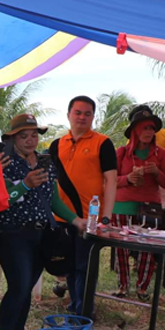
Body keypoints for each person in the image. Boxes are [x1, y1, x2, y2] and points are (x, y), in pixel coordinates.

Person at [0, 114, 79, 330]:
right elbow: (3, 200)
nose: (30, 140)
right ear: (12, 138)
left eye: (34, 134)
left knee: (28, 287)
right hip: (12, 231)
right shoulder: (4, 162)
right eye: (24, 136)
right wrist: (26, 184)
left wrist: (76, 220)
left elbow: (53, 200)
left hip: (41, 233)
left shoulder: (45, 161)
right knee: (19, 285)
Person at [53, 96, 117, 314]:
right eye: (77, 112)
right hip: (62, 218)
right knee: (68, 266)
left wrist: (106, 218)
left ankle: (85, 312)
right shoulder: (56, 144)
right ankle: (75, 307)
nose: (82, 117)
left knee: (86, 268)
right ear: (68, 114)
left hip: (90, 220)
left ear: (93, 117)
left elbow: (111, 181)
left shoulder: (103, 143)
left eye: (87, 113)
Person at [112, 107, 165, 300]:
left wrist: (156, 173)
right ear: (134, 131)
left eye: (152, 128)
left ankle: (142, 287)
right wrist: (128, 178)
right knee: (121, 248)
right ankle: (123, 286)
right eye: (145, 128)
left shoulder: (161, 154)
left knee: (147, 247)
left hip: (149, 207)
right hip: (122, 205)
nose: (149, 132)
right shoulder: (121, 153)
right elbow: (110, 180)